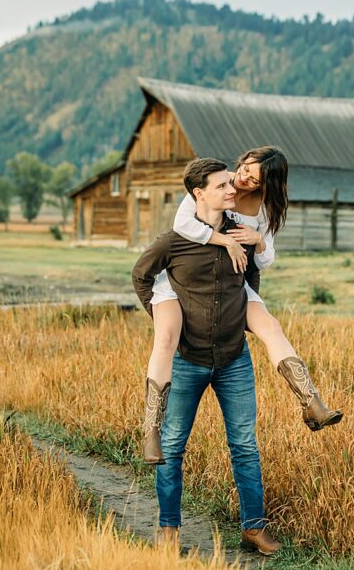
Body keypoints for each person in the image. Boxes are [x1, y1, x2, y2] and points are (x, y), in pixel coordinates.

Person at [140, 146, 343, 466]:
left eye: (254, 178)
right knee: (165, 340)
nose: (244, 178)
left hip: (233, 284)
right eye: (246, 168)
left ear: (267, 185)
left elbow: (264, 260)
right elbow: (183, 225)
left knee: (272, 327)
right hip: (187, 281)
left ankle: (312, 403)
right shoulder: (217, 182)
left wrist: (257, 240)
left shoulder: (264, 209)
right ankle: (151, 431)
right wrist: (228, 241)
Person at [133, 158, 281, 555]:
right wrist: (161, 313)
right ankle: (168, 529)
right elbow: (140, 274)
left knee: (245, 445)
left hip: (234, 358)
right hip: (187, 359)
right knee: (174, 444)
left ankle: (253, 528)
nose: (232, 189)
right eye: (222, 186)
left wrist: (249, 311)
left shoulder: (241, 234)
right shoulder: (174, 240)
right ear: (199, 193)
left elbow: (252, 281)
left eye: (230, 184)